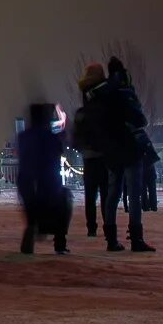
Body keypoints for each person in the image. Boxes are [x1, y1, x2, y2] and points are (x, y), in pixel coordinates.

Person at [97, 56, 156, 252]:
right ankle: (136, 239)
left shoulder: (103, 93)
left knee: (112, 195)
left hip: (112, 151)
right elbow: (140, 119)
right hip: (130, 148)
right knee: (134, 195)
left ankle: (111, 239)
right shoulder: (126, 92)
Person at [16, 102, 72, 255]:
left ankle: (33, 226)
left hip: (26, 183)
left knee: (33, 210)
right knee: (64, 202)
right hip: (46, 183)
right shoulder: (49, 137)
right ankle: (59, 243)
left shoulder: (23, 137)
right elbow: (56, 152)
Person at [71, 63, 109, 238]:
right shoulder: (104, 103)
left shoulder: (83, 111)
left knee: (90, 195)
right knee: (106, 195)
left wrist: (83, 147)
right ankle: (109, 226)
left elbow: (76, 136)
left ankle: (91, 228)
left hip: (89, 156)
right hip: (104, 155)